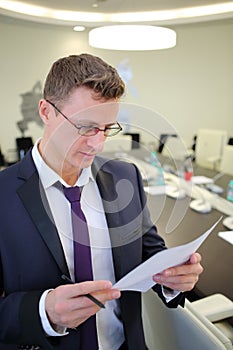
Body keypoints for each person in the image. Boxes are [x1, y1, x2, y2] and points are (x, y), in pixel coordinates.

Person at [0, 53, 203, 350]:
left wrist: (174, 278)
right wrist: (43, 312)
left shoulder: (125, 176)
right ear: (46, 111)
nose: (98, 143)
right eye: (85, 127)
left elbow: (149, 252)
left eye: (107, 128)